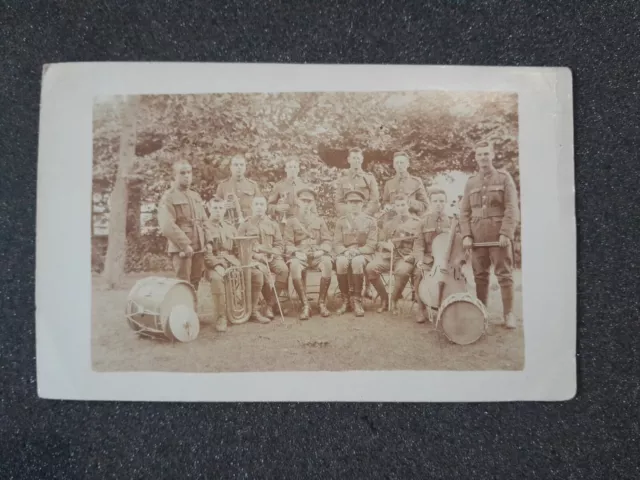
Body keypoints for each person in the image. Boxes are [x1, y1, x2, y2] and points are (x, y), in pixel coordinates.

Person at [459, 141, 520, 329]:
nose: (483, 158)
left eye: (486, 154)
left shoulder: (504, 178)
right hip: (477, 238)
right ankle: (481, 311)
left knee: (504, 275)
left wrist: (506, 233)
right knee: (480, 276)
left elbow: (511, 208)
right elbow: (465, 212)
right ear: (475, 158)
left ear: (492, 155)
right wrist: (467, 235)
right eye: (480, 155)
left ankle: (509, 314)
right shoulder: (471, 182)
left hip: (498, 237)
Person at [203, 198, 268, 330]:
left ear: (224, 210)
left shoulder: (230, 227)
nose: (218, 211)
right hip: (213, 264)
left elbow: (238, 251)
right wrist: (216, 265)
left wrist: (250, 262)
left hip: (232, 261)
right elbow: (206, 254)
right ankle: (221, 317)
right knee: (217, 278)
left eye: (221, 208)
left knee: (256, 274)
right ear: (209, 209)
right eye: (215, 208)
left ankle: (253, 311)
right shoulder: (204, 227)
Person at [158, 160, 211, 293]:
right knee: (183, 284)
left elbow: (204, 220)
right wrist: (184, 244)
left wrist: (208, 241)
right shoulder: (169, 197)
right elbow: (167, 225)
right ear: (174, 176)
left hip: (199, 247)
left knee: (195, 282)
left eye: (189, 172)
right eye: (182, 173)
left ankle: (192, 312)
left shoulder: (195, 196)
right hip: (182, 248)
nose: (187, 176)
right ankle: (182, 311)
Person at [366, 194, 421, 313]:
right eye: (397, 206)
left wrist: (412, 257)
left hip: (405, 257)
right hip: (389, 256)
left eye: (403, 205)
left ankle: (394, 300)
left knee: (401, 272)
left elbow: (419, 244)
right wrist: (386, 245)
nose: (401, 208)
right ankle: (384, 299)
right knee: (370, 268)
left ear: (408, 205)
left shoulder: (417, 223)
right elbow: (380, 241)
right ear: (394, 207)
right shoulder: (389, 223)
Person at [284, 188, 333, 320]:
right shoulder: (292, 221)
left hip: (317, 254)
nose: (306, 203)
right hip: (301, 255)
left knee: (327, 263)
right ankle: (305, 305)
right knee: (294, 266)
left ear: (313, 203)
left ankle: (321, 302)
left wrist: (321, 251)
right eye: (303, 200)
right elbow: (287, 244)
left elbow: (327, 240)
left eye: (309, 201)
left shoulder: (320, 220)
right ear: (298, 202)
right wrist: (296, 252)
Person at [238, 196, 289, 321]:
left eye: (262, 204)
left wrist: (272, 253)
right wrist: (255, 255)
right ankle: (273, 306)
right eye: (257, 204)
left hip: (271, 256)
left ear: (266, 207)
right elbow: (239, 247)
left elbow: (279, 244)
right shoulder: (245, 224)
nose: (259, 207)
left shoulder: (273, 224)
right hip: (253, 258)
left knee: (284, 270)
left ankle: (270, 305)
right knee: (263, 272)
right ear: (252, 207)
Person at [333, 190, 378, 317]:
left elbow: (372, 244)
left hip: (363, 254)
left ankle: (357, 299)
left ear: (362, 204)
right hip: (345, 253)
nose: (354, 205)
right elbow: (336, 243)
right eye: (351, 202)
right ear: (347, 204)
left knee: (357, 261)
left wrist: (358, 251)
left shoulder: (370, 221)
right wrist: (346, 251)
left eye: (357, 202)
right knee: (341, 262)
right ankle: (346, 300)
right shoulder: (341, 221)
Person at [413, 187, 451, 323]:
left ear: (446, 202)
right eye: (435, 201)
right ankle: (421, 308)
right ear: (430, 202)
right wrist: (419, 259)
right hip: (429, 259)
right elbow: (418, 244)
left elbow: (457, 243)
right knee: (418, 273)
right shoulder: (423, 221)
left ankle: (450, 305)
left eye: (441, 201)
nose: (438, 204)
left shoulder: (452, 221)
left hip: (447, 260)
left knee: (454, 277)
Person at [267, 158, 313, 234]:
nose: (293, 169)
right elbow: (268, 206)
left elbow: (312, 208)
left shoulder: (305, 186)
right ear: (286, 169)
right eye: (290, 167)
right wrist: (277, 208)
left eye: (295, 167)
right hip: (285, 226)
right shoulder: (279, 186)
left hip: (302, 226)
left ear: (298, 169)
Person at [380, 152, 429, 222]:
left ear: (407, 164)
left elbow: (425, 206)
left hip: (411, 220)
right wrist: (386, 206)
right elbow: (385, 202)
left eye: (402, 162)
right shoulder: (389, 183)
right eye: (397, 163)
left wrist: (408, 202)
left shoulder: (416, 182)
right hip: (392, 220)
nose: (399, 165)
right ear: (394, 165)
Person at [335, 147, 380, 217]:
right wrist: (349, 214)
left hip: (365, 217)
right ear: (349, 160)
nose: (356, 161)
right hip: (348, 218)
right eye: (354, 158)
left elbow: (374, 201)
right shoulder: (343, 179)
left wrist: (364, 215)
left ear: (362, 160)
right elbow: (339, 202)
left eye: (358, 158)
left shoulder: (369, 178)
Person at [215, 154, 262, 222]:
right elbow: (216, 207)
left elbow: (260, 206)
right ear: (231, 167)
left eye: (241, 165)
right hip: (230, 224)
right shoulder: (223, 185)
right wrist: (223, 206)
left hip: (248, 223)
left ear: (245, 167)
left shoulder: (253, 185)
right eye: (236, 165)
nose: (239, 167)